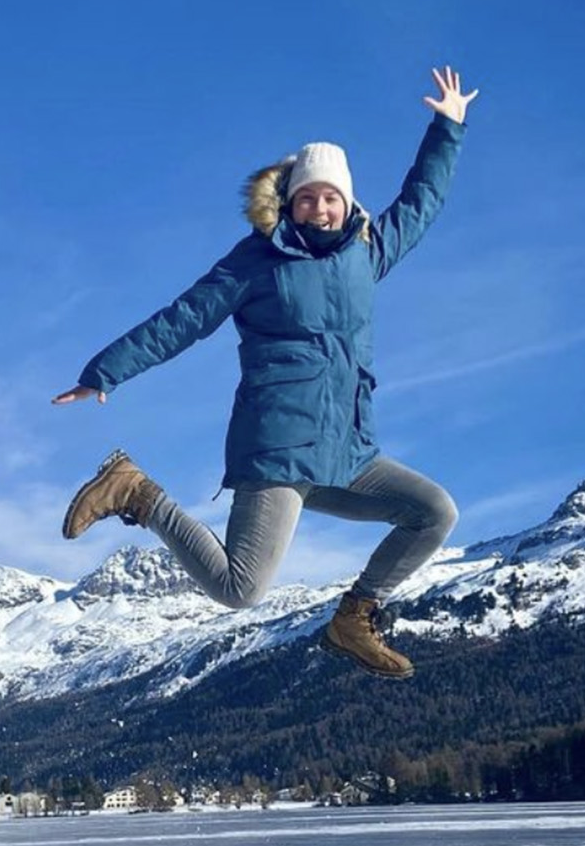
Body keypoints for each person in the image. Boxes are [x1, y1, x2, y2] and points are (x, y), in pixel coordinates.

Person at [53, 66, 478, 680]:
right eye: (308, 197)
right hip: (278, 450)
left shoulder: (368, 251)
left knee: (434, 511)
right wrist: (106, 371)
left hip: (349, 453)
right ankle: (136, 493)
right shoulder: (257, 261)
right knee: (240, 588)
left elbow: (423, 200)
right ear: (290, 202)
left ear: (347, 201)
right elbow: (184, 318)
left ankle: (355, 617)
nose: (320, 207)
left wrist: (449, 126)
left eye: (331, 197)